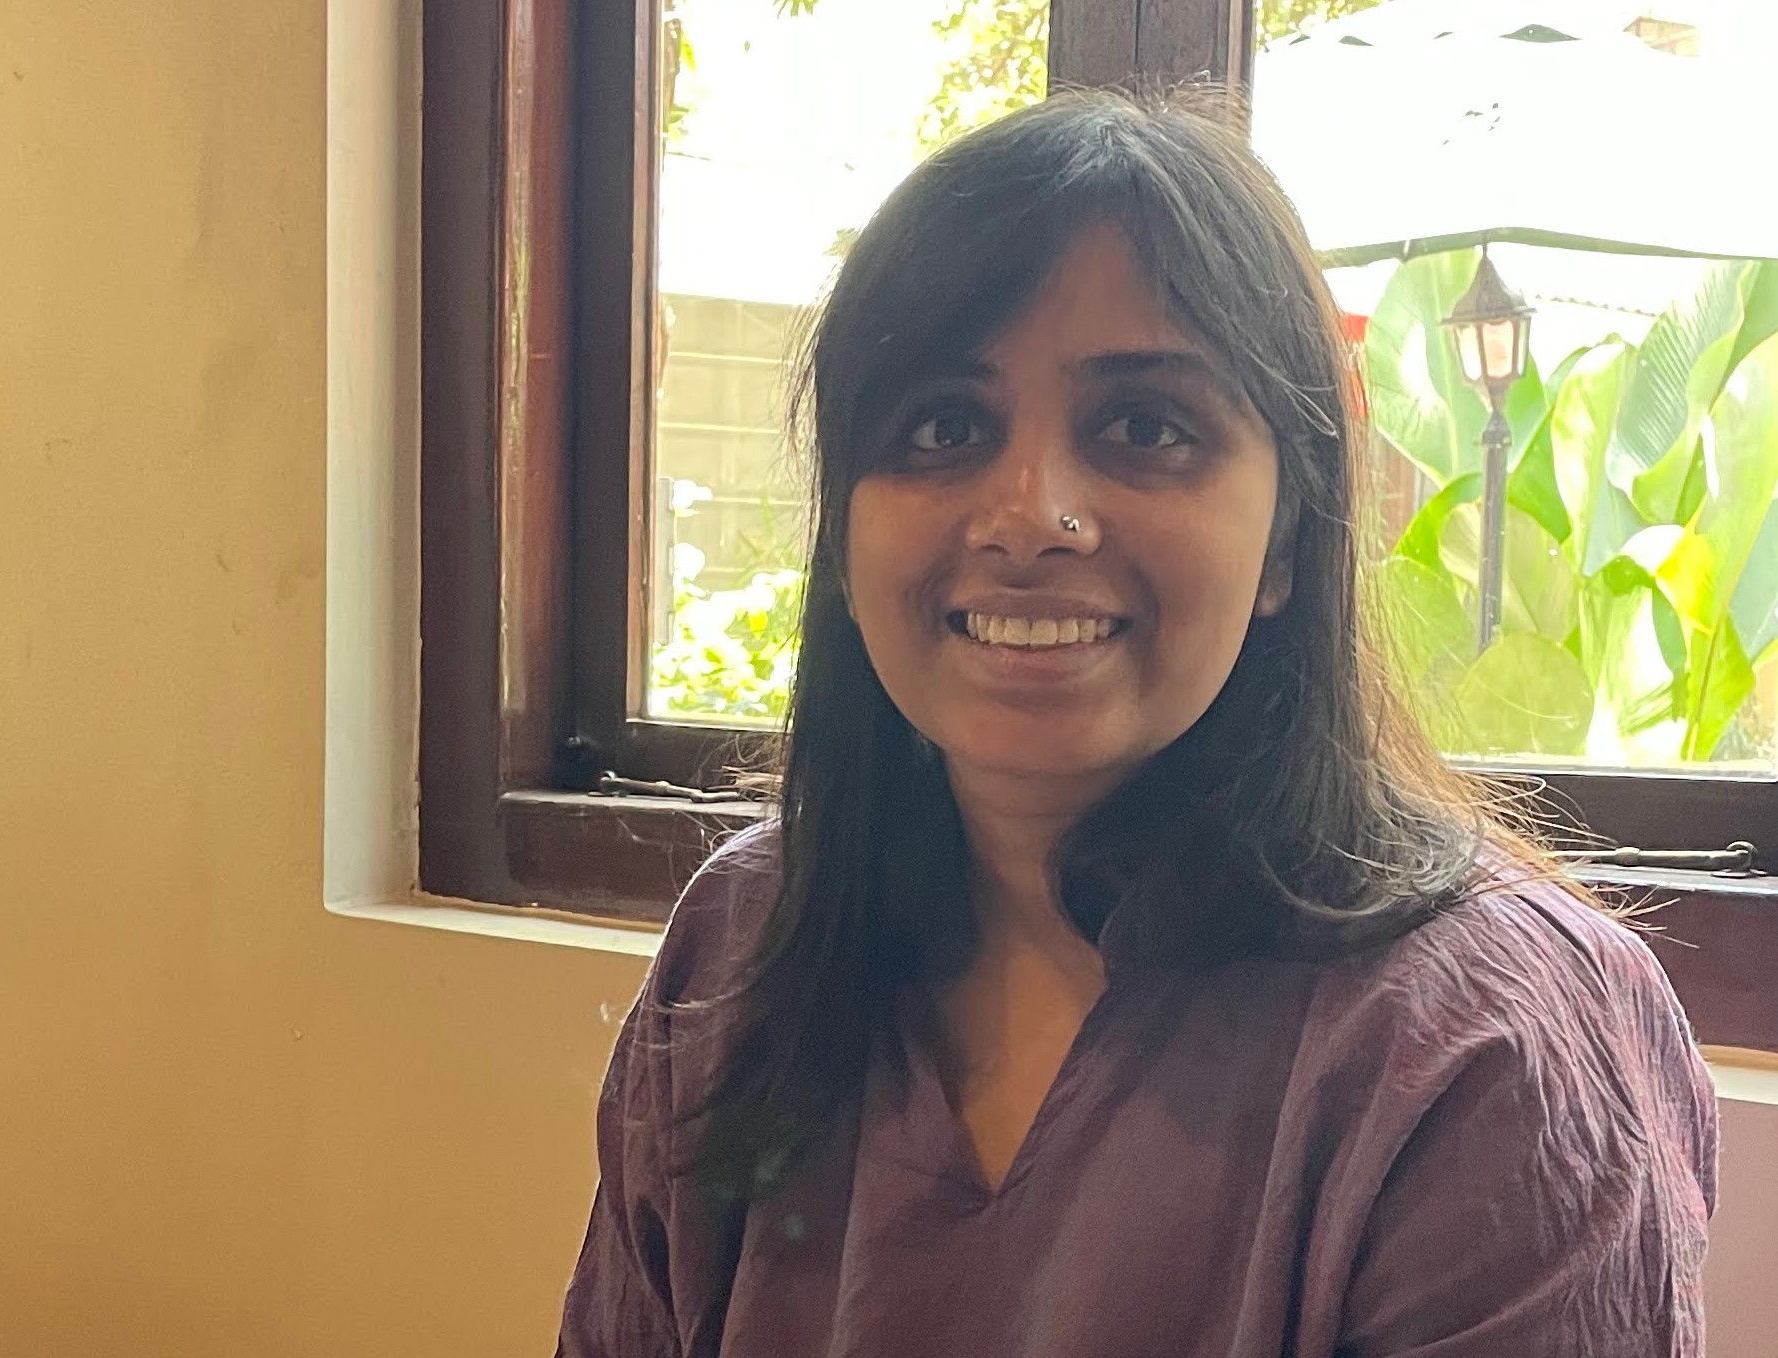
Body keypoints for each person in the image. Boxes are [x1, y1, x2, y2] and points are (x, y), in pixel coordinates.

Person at [556, 92, 1715, 1358]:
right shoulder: (744, 941)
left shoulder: (1491, 1052)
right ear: (842, 530)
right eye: (944, 426)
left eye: (1146, 428)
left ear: (1286, 535)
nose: (1031, 515)